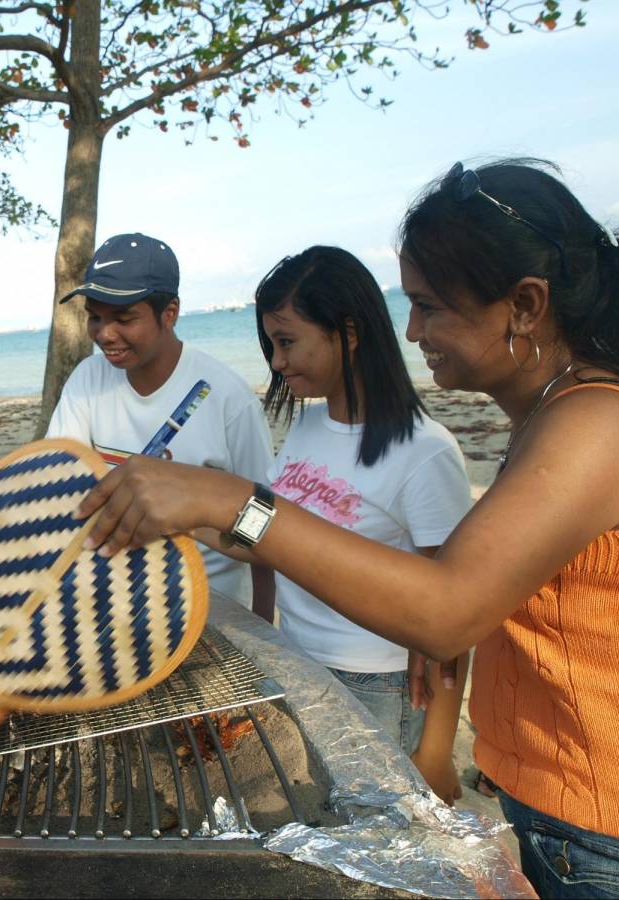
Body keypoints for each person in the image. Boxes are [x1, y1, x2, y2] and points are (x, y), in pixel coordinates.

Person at [77, 160, 619, 897]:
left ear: (526, 305)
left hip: (603, 826)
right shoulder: (553, 417)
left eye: (431, 306)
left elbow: (447, 610)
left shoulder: (596, 422)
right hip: (553, 801)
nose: (411, 329)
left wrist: (226, 499)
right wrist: (202, 511)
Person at [247, 246, 472, 802]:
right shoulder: (308, 426)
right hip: (300, 662)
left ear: (348, 332)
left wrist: (436, 753)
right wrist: (188, 514)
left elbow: (452, 623)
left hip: (378, 685)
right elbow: (264, 532)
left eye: (287, 341)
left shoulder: (425, 452)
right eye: (271, 345)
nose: (276, 362)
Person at [46, 232, 276, 619]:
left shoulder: (227, 398)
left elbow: (267, 524)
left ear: (169, 313)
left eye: (123, 318)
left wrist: (267, 630)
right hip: (110, 609)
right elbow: (55, 482)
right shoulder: (88, 379)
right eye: (95, 317)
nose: (104, 334)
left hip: (208, 613)